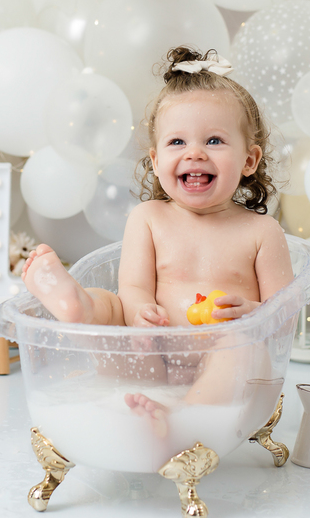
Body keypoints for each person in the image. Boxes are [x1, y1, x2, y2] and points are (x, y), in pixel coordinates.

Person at [21, 46, 293, 427]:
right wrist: (140, 314)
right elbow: (133, 286)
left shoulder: (262, 231)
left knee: (247, 350)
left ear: (249, 160)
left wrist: (253, 317)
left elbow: (284, 314)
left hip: (223, 366)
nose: (195, 153)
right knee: (113, 306)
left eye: (214, 141)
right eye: (177, 142)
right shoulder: (149, 218)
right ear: (155, 160)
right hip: (151, 362)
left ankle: (181, 416)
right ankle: (78, 307)